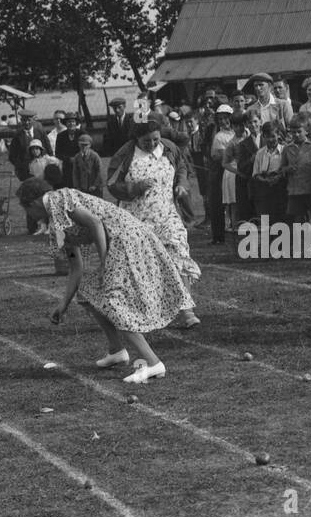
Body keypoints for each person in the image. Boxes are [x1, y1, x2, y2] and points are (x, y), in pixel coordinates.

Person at [45, 188, 192, 382]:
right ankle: (116, 351)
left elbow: (96, 223)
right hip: (119, 242)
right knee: (87, 292)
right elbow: (76, 267)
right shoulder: (55, 223)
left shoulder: (57, 199)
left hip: (125, 239)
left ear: (31, 204)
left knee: (113, 301)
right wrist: (63, 305)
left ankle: (153, 362)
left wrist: (106, 261)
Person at [115, 119, 201, 328]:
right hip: (137, 219)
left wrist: (180, 185)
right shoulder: (125, 154)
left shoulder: (169, 148)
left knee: (179, 254)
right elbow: (112, 184)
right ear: (136, 139)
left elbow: (182, 167)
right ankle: (146, 311)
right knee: (142, 265)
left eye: (156, 139)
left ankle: (186, 311)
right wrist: (133, 187)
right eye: (147, 141)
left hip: (167, 215)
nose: (153, 144)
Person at [279, 114, 311, 226]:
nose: (296, 134)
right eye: (293, 132)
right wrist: (287, 169)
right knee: (296, 221)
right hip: (295, 191)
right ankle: (298, 242)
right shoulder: (287, 149)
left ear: (306, 131)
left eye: (299, 131)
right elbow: (281, 169)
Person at [208, 105, 236, 243]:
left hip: (238, 170)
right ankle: (218, 236)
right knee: (219, 202)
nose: (223, 122)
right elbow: (217, 156)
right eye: (220, 119)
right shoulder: (219, 136)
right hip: (222, 171)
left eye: (226, 118)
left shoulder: (238, 131)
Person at [8, 110, 52, 182]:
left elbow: (48, 149)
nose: (26, 123)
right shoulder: (17, 136)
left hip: (41, 169)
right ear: (21, 121)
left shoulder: (40, 132)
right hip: (25, 172)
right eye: (24, 120)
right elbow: (12, 156)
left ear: (33, 120)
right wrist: (20, 167)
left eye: (29, 120)